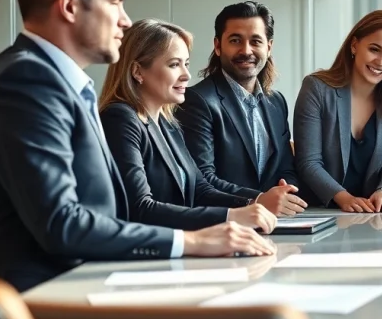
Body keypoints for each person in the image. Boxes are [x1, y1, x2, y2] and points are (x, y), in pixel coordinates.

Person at [0, 0, 274, 291]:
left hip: (81, 283)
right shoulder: (27, 80)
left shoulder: (55, 80)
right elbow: (63, 224)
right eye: (115, 2)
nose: (125, 21)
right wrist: (192, 242)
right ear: (69, 6)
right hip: (44, 300)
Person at [98, 19, 278, 233]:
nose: (186, 75)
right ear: (138, 71)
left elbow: (199, 190)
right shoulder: (120, 119)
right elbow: (140, 208)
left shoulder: (167, 122)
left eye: (186, 64)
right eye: (174, 64)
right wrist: (231, 216)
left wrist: (252, 205)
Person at [175, 1, 306, 216]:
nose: (246, 51)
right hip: (225, 221)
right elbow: (203, 178)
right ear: (217, 46)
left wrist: (285, 192)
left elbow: (286, 168)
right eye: (235, 40)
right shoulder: (196, 100)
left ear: (269, 47)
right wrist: (260, 200)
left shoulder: (277, 102)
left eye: (256, 41)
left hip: (277, 220)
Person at [293, 10, 382, 212]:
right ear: (355, 45)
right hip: (318, 211)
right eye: (374, 49)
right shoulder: (317, 88)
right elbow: (309, 162)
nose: (381, 62)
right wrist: (344, 198)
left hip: (371, 216)